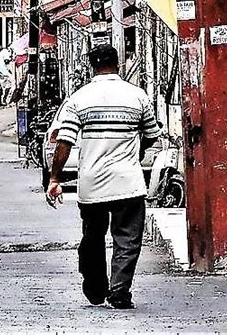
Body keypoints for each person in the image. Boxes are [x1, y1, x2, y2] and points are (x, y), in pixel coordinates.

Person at [46, 44, 161, 310]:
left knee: (93, 236)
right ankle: (119, 290)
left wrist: (55, 179)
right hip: (128, 182)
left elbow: (64, 142)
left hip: (92, 183)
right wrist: (133, 153)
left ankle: (96, 287)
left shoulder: (79, 99)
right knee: (127, 239)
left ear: (91, 66)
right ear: (118, 64)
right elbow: (151, 134)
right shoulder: (137, 96)